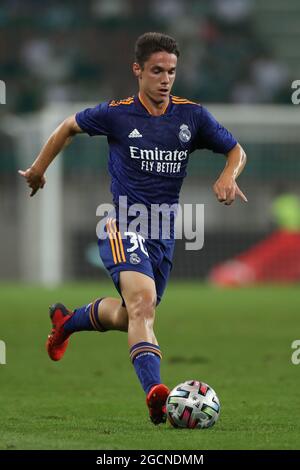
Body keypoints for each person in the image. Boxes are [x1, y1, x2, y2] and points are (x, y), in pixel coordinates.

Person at [19, 32, 247, 425]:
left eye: (172, 71)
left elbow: (236, 150)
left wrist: (229, 175)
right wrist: (39, 169)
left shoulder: (191, 116)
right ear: (137, 71)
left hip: (162, 232)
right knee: (143, 305)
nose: (165, 79)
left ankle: (68, 322)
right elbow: (67, 127)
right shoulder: (117, 113)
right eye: (157, 71)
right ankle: (155, 395)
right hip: (121, 224)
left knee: (131, 315)